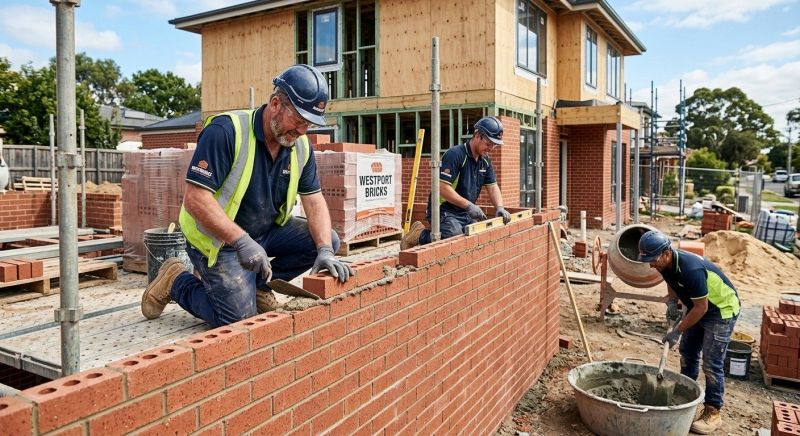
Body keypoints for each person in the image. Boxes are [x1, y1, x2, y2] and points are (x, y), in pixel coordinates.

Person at [141, 64, 353, 328]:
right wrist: (241, 241)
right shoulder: (226, 131)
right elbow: (195, 199)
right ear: (276, 104)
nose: (302, 131)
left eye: (308, 124)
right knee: (238, 322)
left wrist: (324, 250)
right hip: (217, 238)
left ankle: (258, 285)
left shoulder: (300, 147)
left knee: (327, 239)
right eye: (298, 121)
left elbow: (314, 199)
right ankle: (176, 281)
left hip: (265, 233)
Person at [639, 229, 740, 434]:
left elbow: (701, 308)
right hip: (699, 307)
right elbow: (671, 282)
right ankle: (686, 393)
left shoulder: (691, 269)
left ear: (666, 253)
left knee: (712, 363)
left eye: (652, 259)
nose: (650, 264)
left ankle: (713, 411)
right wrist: (672, 304)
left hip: (721, 310)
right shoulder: (665, 263)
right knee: (688, 353)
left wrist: (677, 331)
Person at [400, 116, 511, 249]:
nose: (491, 148)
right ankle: (419, 234)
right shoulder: (456, 155)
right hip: (443, 209)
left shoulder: (485, 161)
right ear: (477, 136)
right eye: (488, 144)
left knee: (475, 234)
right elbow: (441, 187)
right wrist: (469, 206)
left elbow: (492, 186)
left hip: (464, 211)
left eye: (494, 145)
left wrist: (500, 207)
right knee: (453, 237)